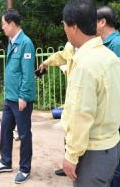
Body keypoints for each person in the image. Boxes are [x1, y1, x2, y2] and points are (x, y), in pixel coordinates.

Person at [61, 0, 120, 187]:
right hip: (112, 145)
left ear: (73, 27)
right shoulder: (110, 57)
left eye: (64, 25)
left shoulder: (85, 65)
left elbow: (81, 115)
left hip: (92, 153)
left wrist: (71, 156)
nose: (64, 29)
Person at [0, 9, 35, 184]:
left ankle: (25, 169)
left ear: (12, 24)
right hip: (9, 97)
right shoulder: (12, 42)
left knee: (24, 134)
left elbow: (27, 73)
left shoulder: (25, 43)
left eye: (3, 24)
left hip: (20, 98)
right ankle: (5, 161)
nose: (2, 28)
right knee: (5, 129)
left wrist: (23, 95)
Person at [96, 6, 120, 187]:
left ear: (102, 22)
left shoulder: (117, 45)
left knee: (115, 159)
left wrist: (114, 112)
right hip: (109, 112)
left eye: (95, 22)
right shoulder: (106, 44)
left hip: (115, 113)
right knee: (110, 157)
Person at [37, 41, 76, 177]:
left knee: (79, 132)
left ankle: (77, 166)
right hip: (72, 97)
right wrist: (46, 63)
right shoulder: (71, 45)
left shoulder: (90, 46)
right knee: (68, 130)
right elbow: (62, 56)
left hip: (81, 96)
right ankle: (70, 165)